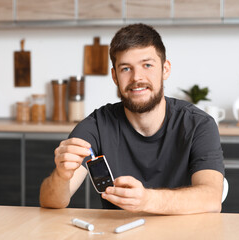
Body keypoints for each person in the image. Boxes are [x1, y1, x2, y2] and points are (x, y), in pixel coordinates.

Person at [39, 23, 225, 215]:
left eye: (147, 65)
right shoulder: (95, 126)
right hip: (117, 233)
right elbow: (51, 201)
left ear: (165, 69)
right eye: (126, 68)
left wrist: (146, 200)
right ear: (115, 76)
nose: (137, 78)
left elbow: (211, 199)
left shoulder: (198, 124)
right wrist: (61, 177)